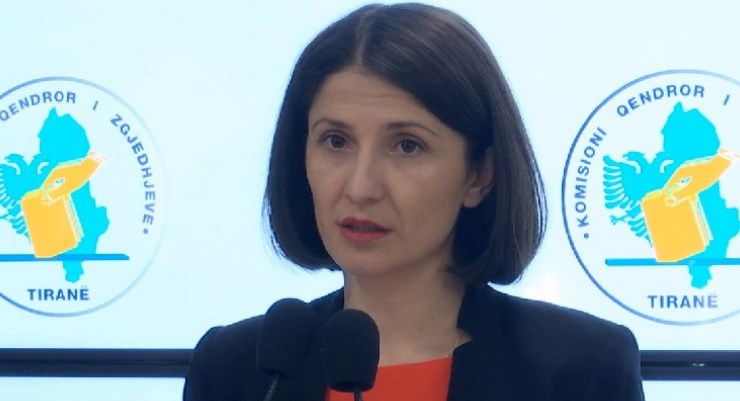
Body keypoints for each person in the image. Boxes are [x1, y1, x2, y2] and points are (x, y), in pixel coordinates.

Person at [183, 3, 645, 401]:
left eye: (407, 146)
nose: (361, 187)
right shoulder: (238, 371)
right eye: (336, 140)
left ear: (479, 174)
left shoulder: (579, 368)